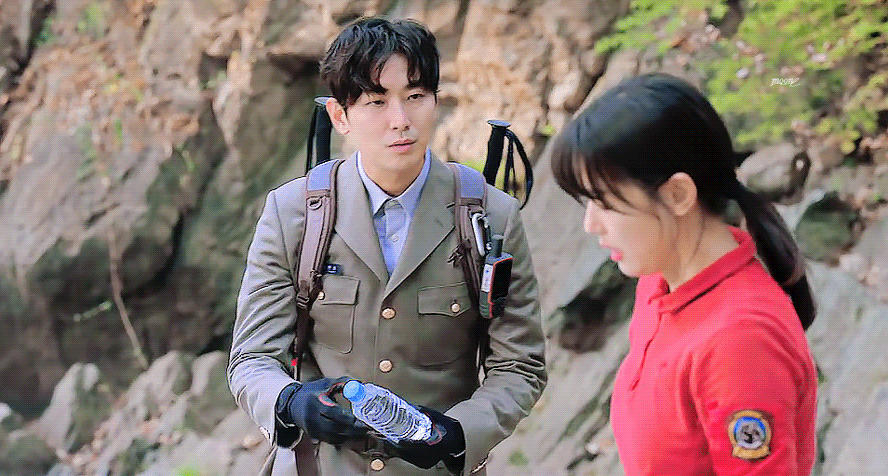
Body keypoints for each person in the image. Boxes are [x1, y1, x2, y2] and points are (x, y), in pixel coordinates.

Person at [228, 17, 546, 476]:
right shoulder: (293, 212)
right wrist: (291, 401)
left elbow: (520, 365)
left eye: (415, 96)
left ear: (436, 100)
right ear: (340, 116)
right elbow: (252, 358)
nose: (401, 120)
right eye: (376, 102)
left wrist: (459, 434)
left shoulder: (491, 216)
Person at [550, 73, 818, 475]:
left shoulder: (740, 341)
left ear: (678, 195)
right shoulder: (659, 282)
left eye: (603, 202)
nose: (591, 225)